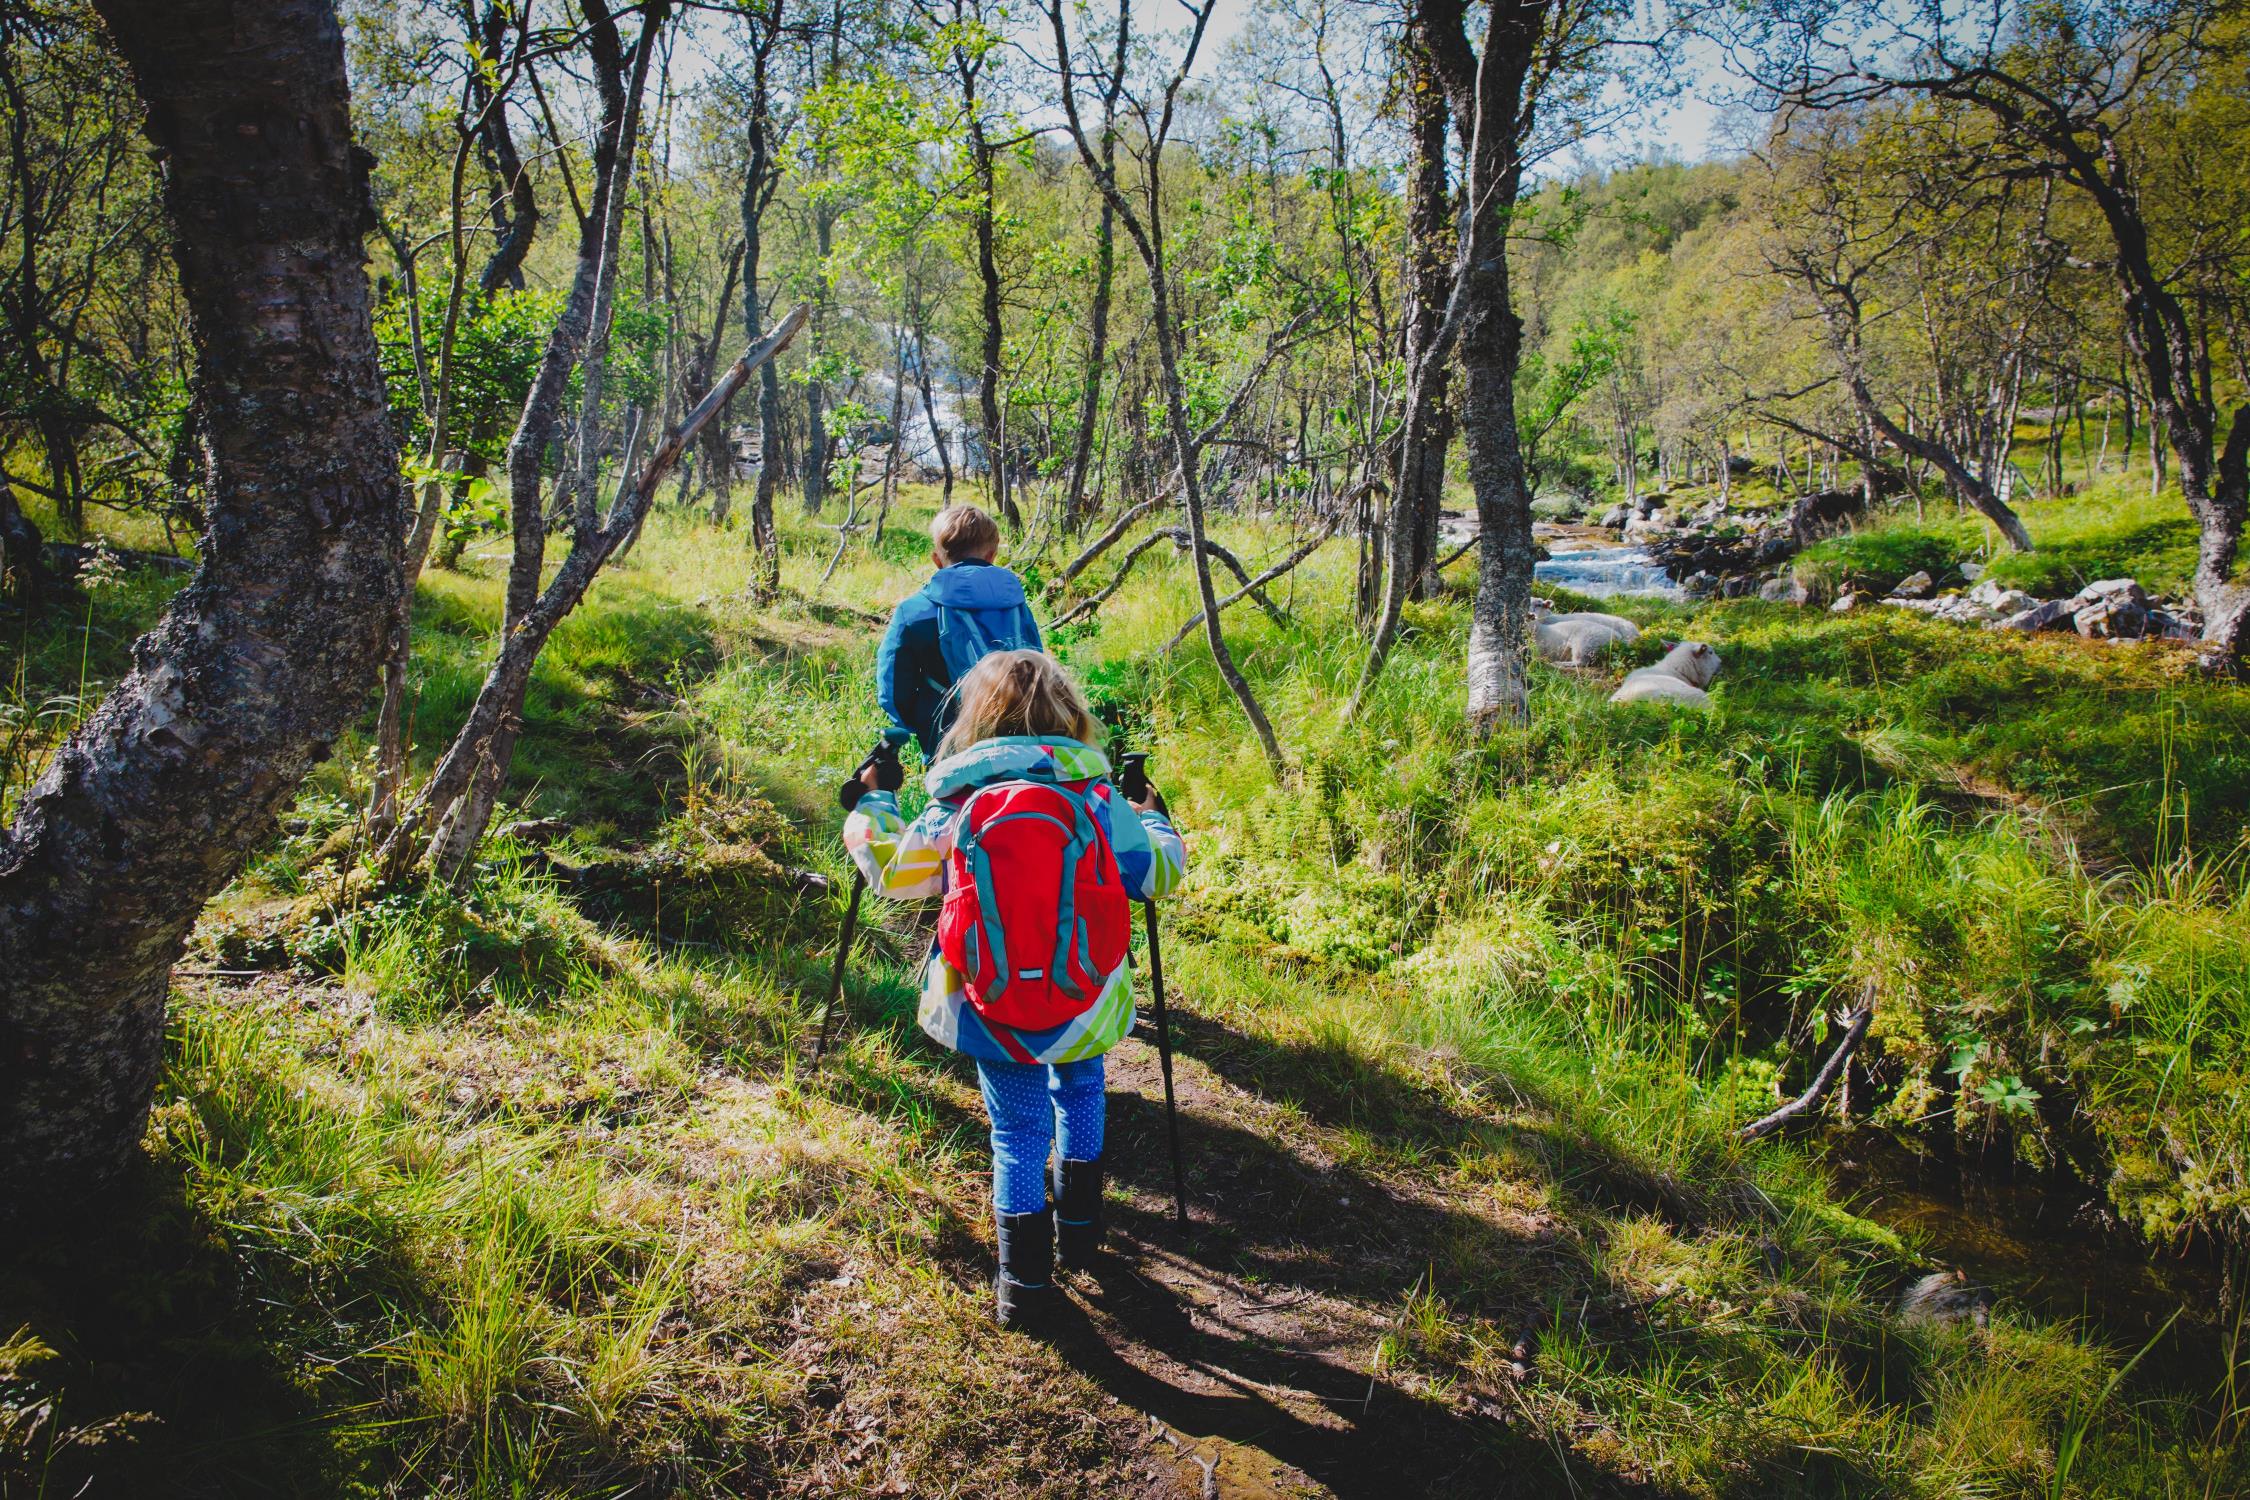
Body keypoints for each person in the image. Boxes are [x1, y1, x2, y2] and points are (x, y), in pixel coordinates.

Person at [842, 650, 1185, 1329]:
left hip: (987, 1000)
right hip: (1085, 997)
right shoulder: (1097, 798)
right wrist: (1155, 819)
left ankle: (1022, 1286)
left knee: (1016, 1134)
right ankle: (1082, 1230)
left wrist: (873, 803)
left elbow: (894, 873)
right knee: (1082, 1090)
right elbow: (1157, 877)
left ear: (978, 717)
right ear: (1069, 715)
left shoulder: (957, 804)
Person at [874, 504, 1042, 757]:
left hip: (945, 731)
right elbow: (1037, 660)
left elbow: (893, 683)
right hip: (1017, 726)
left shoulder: (914, 610)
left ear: (937, 560)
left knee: (950, 793)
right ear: (992, 555)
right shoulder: (1016, 604)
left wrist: (913, 725)